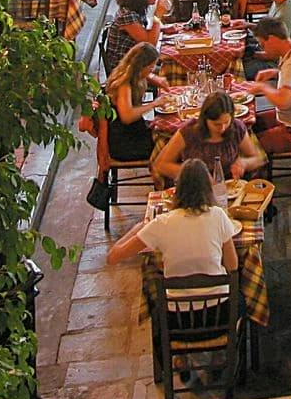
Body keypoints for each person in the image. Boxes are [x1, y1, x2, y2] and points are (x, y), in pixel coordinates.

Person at [107, 158, 240, 278]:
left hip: (176, 303)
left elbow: (113, 257)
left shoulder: (161, 223)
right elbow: (232, 265)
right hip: (217, 300)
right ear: (209, 189)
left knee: (150, 276)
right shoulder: (218, 215)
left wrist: (138, 228)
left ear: (178, 188)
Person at [152, 91, 266, 186]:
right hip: (196, 186)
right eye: (216, 124)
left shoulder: (236, 127)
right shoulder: (190, 131)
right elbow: (160, 164)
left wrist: (244, 163)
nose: (222, 128)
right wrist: (196, 174)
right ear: (205, 120)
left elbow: (258, 158)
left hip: (229, 184)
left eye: (226, 122)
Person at [246, 16, 291, 154]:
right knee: (252, 123)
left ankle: (256, 172)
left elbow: (283, 101)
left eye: (263, 44)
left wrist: (263, 87)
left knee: (247, 147)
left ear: (272, 39)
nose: (264, 49)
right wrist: (275, 73)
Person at [102, 41, 165, 164]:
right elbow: (127, 116)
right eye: (150, 67)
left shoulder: (129, 74)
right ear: (141, 66)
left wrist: (155, 78)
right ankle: (164, 177)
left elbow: (147, 76)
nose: (151, 70)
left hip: (134, 132)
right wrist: (154, 104)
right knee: (168, 145)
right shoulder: (124, 85)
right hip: (127, 144)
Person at [102, 0, 166, 73]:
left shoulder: (135, 10)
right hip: (126, 69)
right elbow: (150, 44)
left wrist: (165, 28)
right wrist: (158, 16)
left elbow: (145, 32)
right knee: (167, 69)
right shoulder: (127, 15)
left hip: (135, 61)